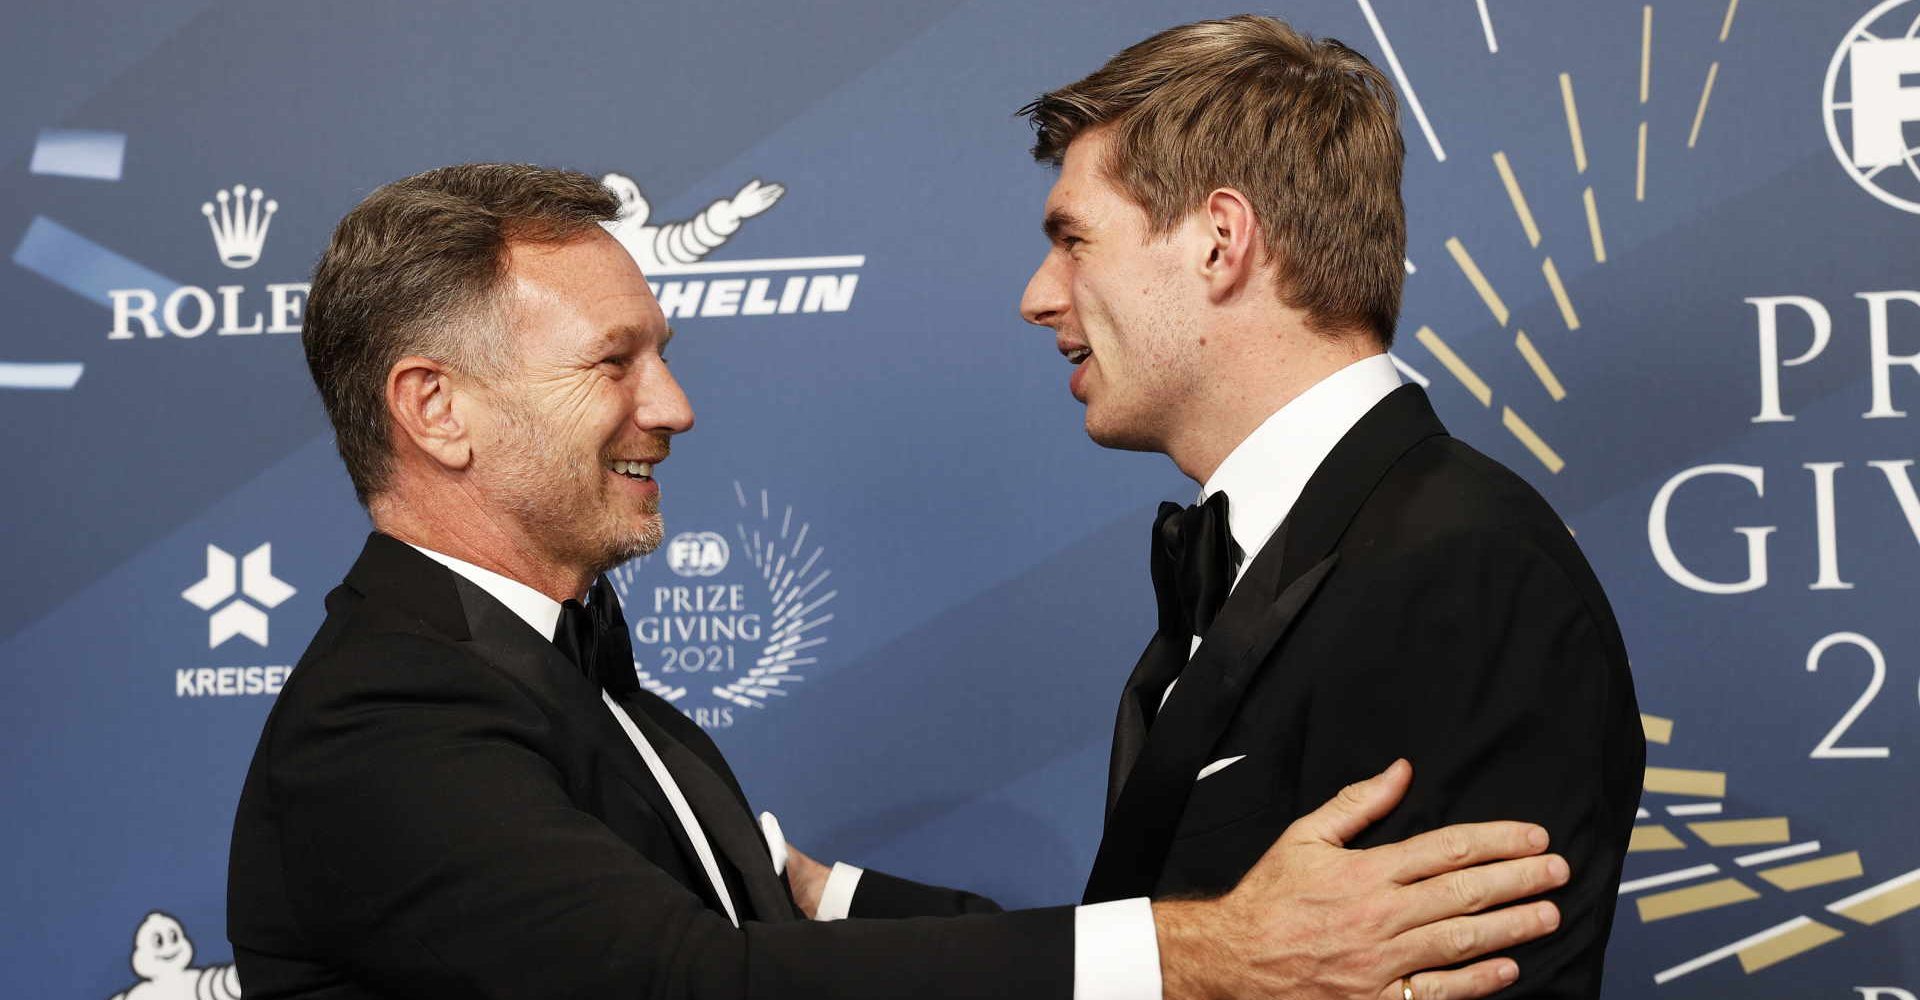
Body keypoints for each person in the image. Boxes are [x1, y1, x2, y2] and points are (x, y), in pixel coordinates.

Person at [228, 162, 1570, 1000]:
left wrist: (822, 893)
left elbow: (755, 919)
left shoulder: (576, 680)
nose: (676, 406)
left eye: (663, 353)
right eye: (614, 363)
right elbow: (691, 981)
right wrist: (1211, 955)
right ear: (435, 410)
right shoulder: (389, 718)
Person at [999, 15, 1644, 999]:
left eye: (1073, 240)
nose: (1039, 296)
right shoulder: (1290, 544)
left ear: (1221, 241)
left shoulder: (1460, 571)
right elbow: (1179, 933)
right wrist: (832, 908)